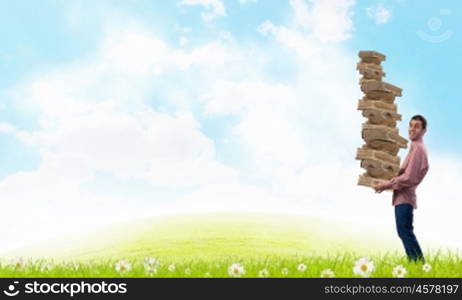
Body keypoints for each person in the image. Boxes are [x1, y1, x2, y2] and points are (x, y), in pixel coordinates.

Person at [374, 115, 429, 262]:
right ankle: (418, 264)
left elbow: (409, 177)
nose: (412, 129)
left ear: (424, 130)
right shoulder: (415, 148)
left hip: (405, 198)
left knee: (405, 232)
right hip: (402, 197)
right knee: (404, 231)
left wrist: (385, 185)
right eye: (410, 125)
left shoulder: (418, 149)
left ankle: (419, 264)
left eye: (416, 126)